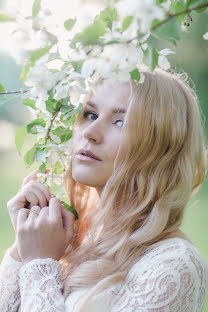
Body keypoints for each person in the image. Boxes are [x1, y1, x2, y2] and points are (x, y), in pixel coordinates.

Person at [0, 68, 208, 312]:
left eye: (120, 121)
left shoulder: (174, 264)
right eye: (90, 114)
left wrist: (39, 263)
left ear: (162, 145)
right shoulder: (69, 241)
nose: (90, 133)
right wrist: (23, 249)